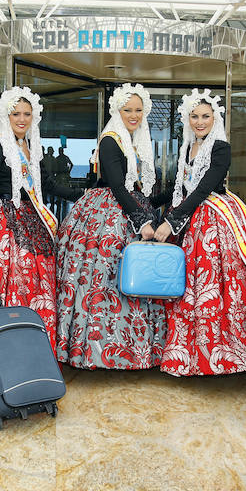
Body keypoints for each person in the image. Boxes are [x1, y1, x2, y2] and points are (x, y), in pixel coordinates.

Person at [0, 87, 82, 382]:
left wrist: (81, 193)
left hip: (29, 218)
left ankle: (30, 358)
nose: (21, 119)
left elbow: (45, 185)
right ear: (5, 115)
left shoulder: (31, 146)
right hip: (0, 220)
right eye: (15, 113)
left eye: (26, 113)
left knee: (35, 285)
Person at [56, 82, 168, 370]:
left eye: (138, 110)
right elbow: (117, 187)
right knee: (104, 277)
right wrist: (141, 219)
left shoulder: (130, 140)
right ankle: (99, 350)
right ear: (117, 111)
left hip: (127, 209)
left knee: (128, 277)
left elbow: (135, 189)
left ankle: (133, 348)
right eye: (127, 110)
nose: (134, 115)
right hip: (109, 214)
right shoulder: (110, 139)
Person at [152, 89, 246, 376]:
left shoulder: (221, 148)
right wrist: (154, 207)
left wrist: (173, 219)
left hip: (213, 218)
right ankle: (183, 355)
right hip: (187, 217)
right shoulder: (187, 147)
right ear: (187, 119)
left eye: (205, 116)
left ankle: (219, 357)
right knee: (184, 285)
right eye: (194, 116)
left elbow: (203, 189)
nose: (200, 122)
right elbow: (180, 187)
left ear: (215, 118)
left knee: (213, 285)